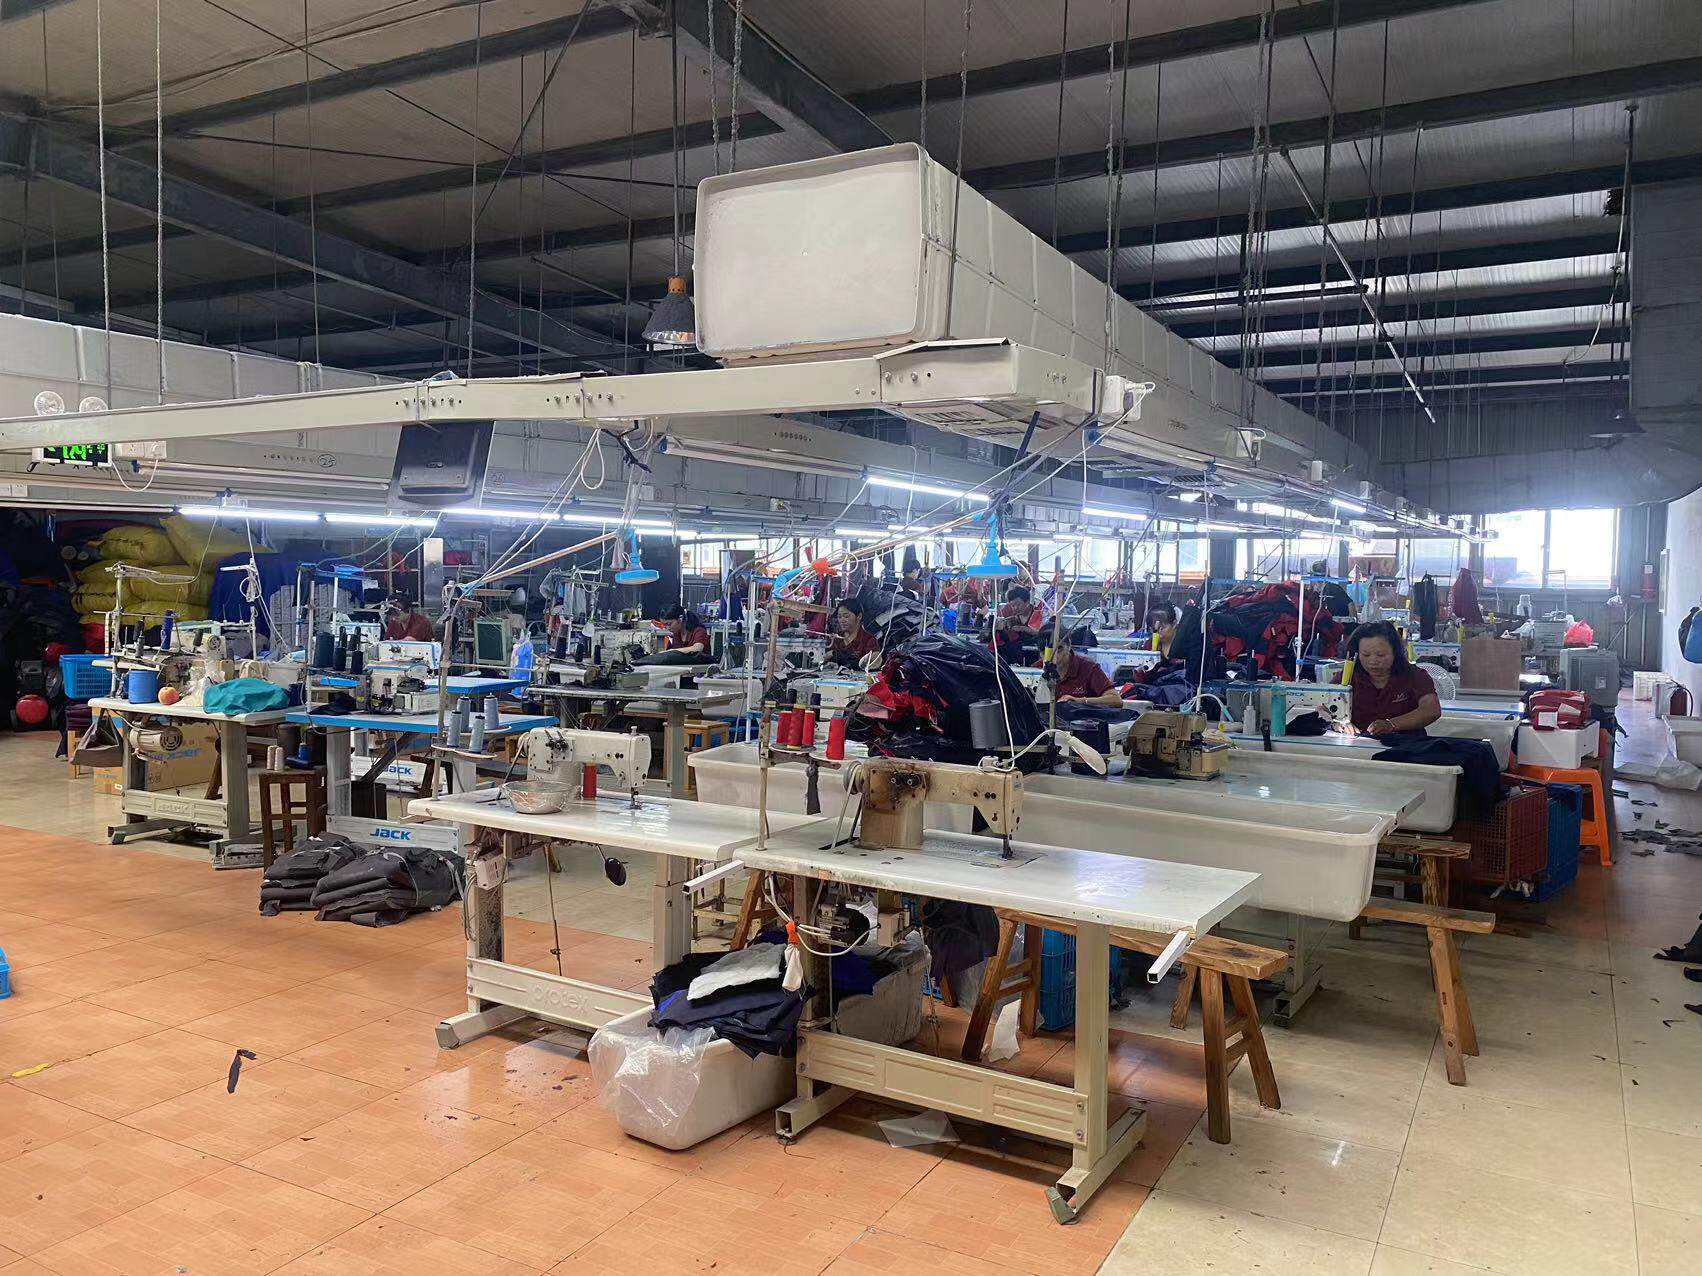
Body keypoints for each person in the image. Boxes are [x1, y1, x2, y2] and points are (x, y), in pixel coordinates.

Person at [1345, 620, 1441, 736]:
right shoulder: (1348, 676)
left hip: (1407, 742)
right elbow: (1326, 706)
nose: (1372, 661)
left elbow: (1431, 710)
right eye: (1366, 655)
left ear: (1395, 653)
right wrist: (1338, 722)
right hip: (1358, 742)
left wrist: (1392, 724)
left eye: (1380, 655)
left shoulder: (1415, 676)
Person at [1050, 643, 1123, 708]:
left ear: (1069, 645)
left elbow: (1115, 700)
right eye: (1048, 650)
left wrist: (1078, 701)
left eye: (1059, 648)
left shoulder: (1087, 667)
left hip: (1086, 718)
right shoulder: (1046, 671)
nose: (1054, 656)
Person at [993, 584, 1044, 663]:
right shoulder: (1009, 613)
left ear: (1027, 602)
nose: (1016, 608)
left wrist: (1023, 628)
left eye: (1018, 604)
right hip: (1016, 652)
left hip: (1035, 653)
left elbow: (1041, 633)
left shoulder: (1037, 613)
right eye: (1013, 605)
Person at [828, 597, 881, 667]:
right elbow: (823, 657)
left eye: (846, 616)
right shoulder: (836, 639)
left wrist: (859, 664)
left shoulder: (868, 640)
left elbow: (877, 660)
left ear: (859, 616)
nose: (842, 620)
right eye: (839, 617)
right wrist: (832, 654)